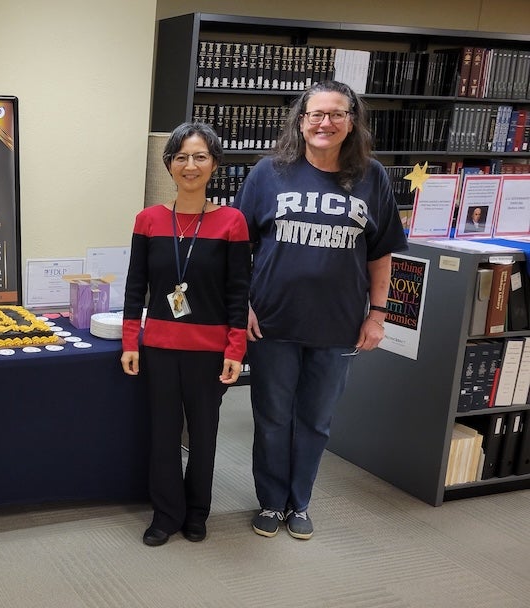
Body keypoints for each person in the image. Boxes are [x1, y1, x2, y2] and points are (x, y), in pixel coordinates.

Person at [234, 81, 407, 541]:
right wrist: (241, 304)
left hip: (339, 324)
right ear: (301, 120)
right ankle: (271, 502)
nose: (325, 123)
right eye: (316, 114)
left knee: (315, 420)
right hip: (272, 320)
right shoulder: (268, 173)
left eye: (336, 114)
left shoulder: (372, 177)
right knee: (272, 416)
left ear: (352, 121)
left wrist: (378, 314)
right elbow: (238, 247)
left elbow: (381, 253)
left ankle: (300, 502)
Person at [121, 121, 250, 546]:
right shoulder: (149, 220)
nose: (189, 165)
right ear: (169, 165)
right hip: (158, 347)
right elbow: (135, 286)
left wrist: (236, 348)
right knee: (162, 435)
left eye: (199, 157)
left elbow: (237, 293)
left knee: (204, 436)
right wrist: (129, 341)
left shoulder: (232, 222)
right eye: (181, 157)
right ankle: (166, 513)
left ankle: (197, 512)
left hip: (209, 352)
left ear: (214, 164)